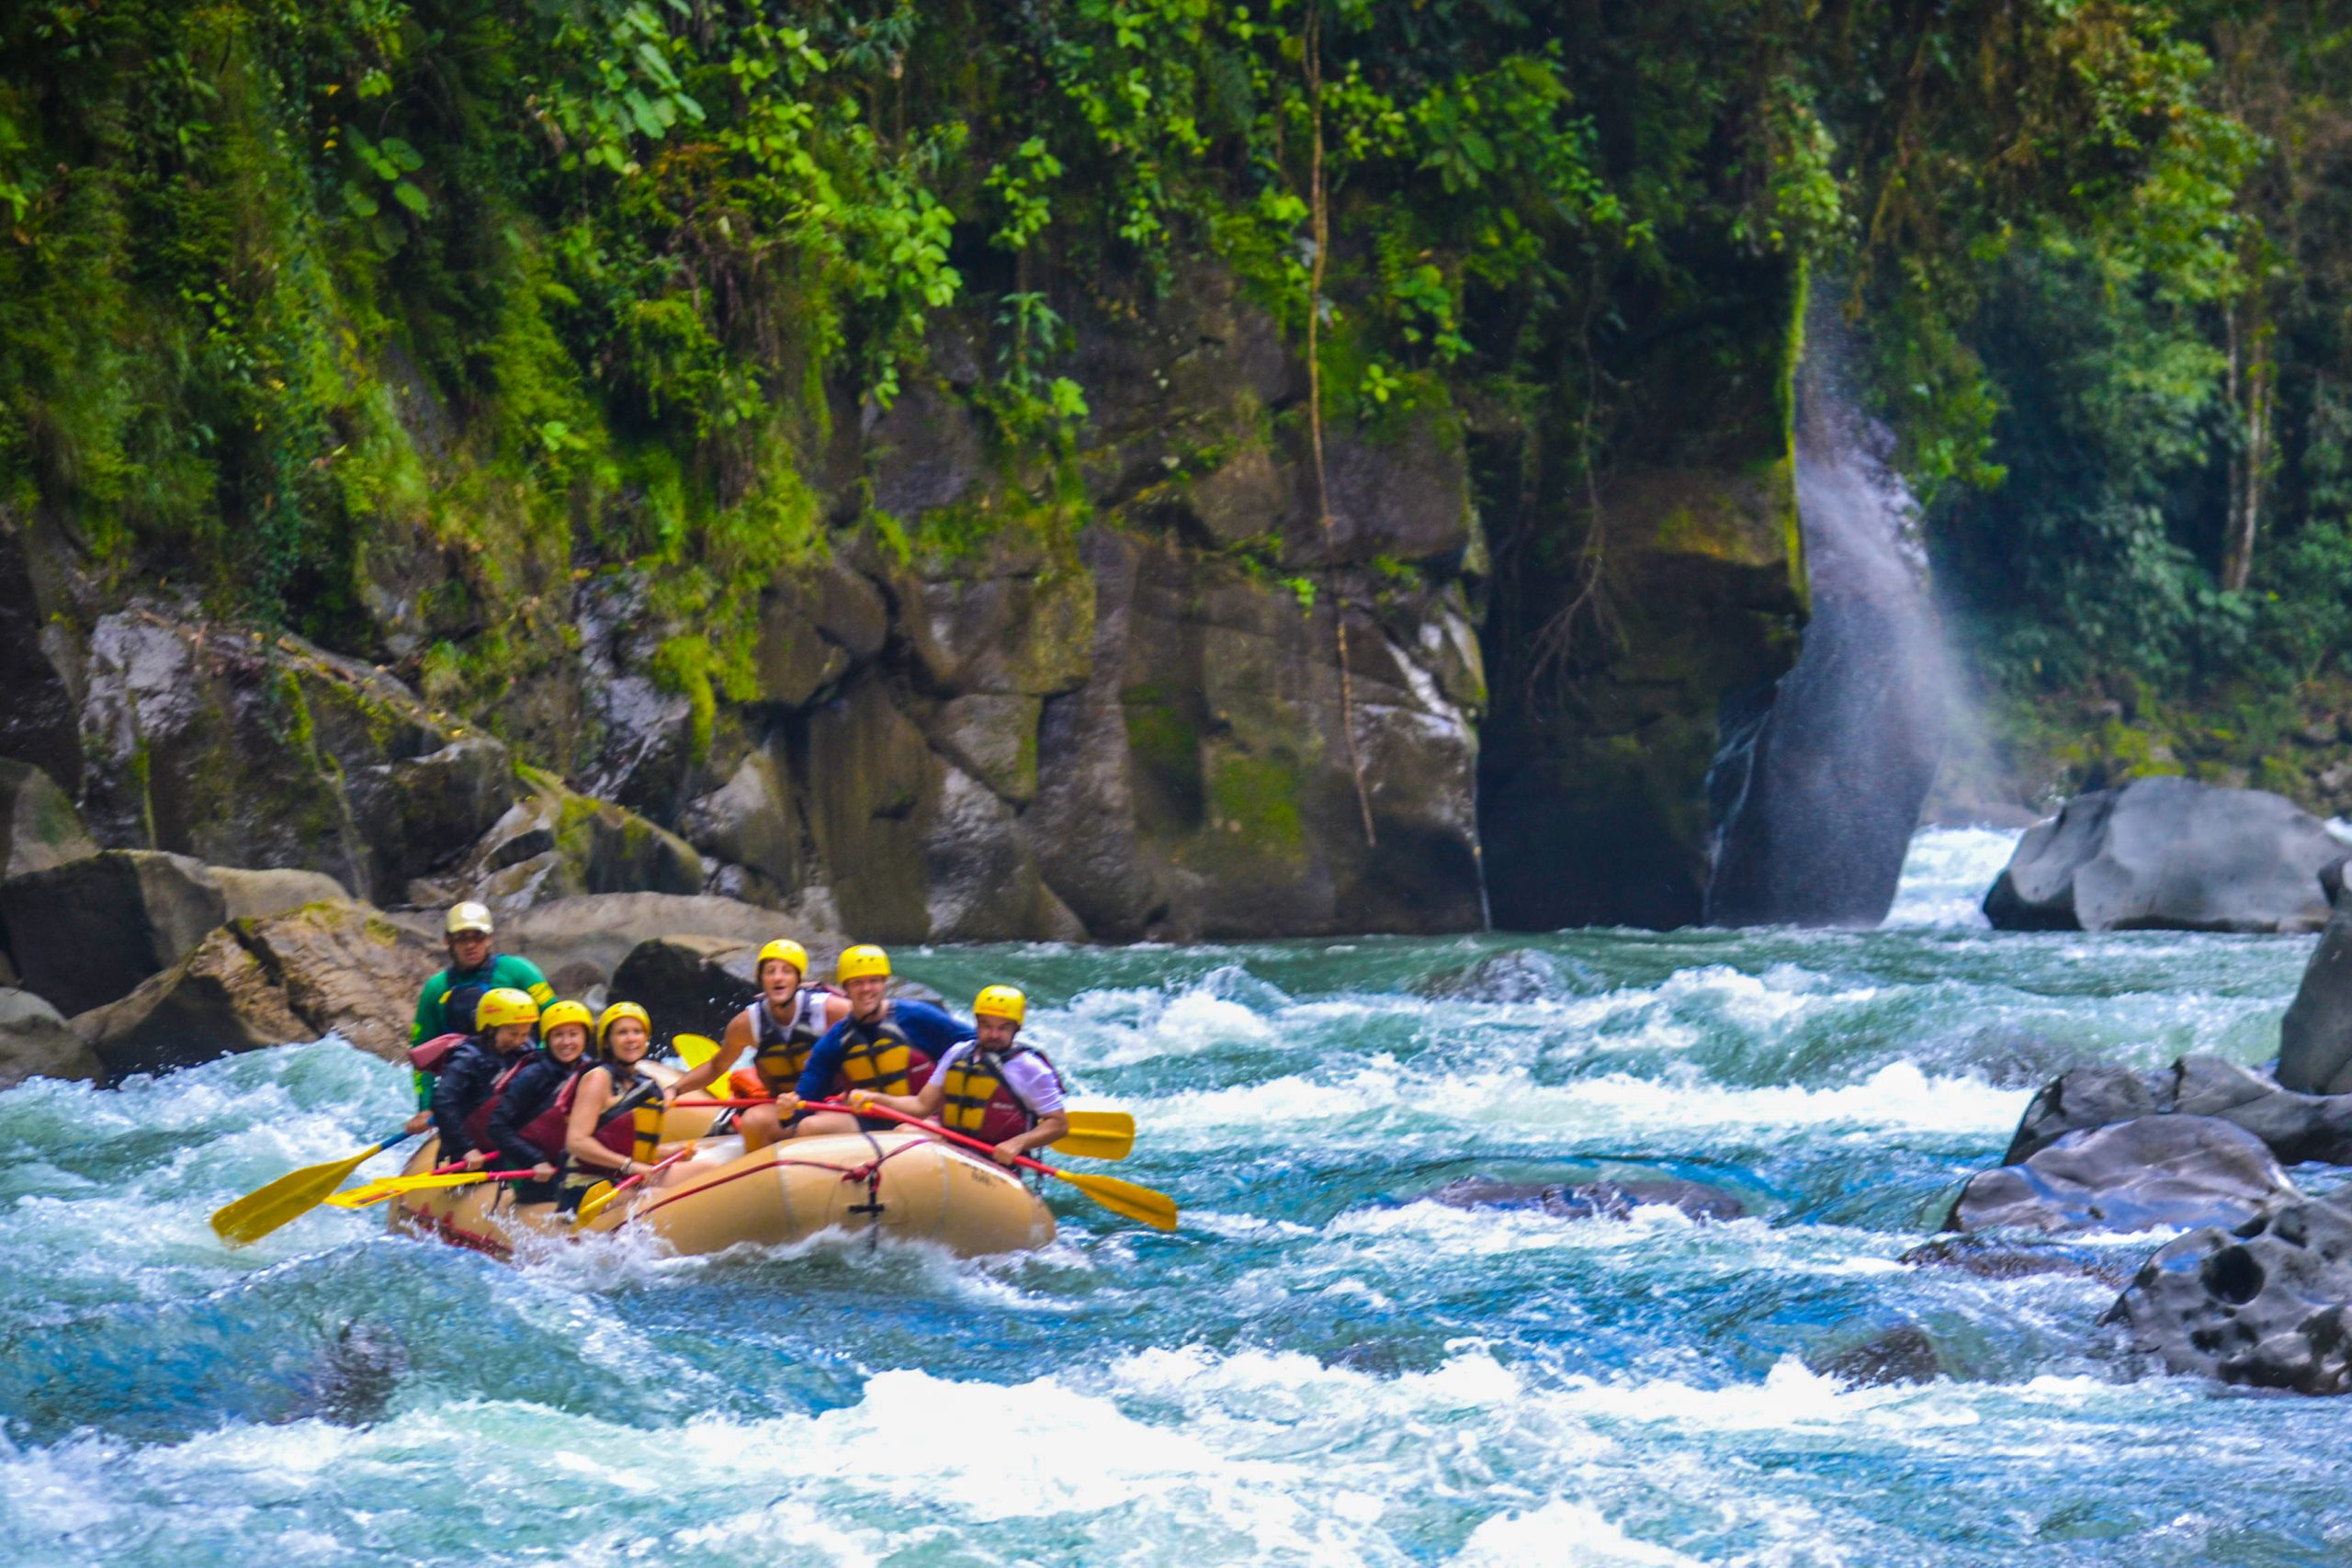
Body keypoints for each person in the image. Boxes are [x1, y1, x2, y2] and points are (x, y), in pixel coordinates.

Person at [848, 985, 1069, 1168]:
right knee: (904, 1132)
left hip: (994, 1160)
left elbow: (1058, 1124)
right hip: (952, 1144)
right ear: (977, 1023)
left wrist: (1018, 1143)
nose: (993, 1034)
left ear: (1017, 1028)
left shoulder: (1031, 1068)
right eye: (986, 1026)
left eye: (1002, 1028)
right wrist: (876, 1099)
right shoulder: (958, 1053)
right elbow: (921, 1105)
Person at [662, 939, 850, 1151]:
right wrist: (674, 1090)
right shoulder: (747, 1024)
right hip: (781, 1108)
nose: (778, 977)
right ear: (761, 979)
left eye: (786, 971)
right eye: (770, 971)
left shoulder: (829, 1010)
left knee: (811, 1126)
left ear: (798, 979)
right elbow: (717, 1066)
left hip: (830, 1102)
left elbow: (875, 1028)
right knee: (752, 1121)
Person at [406, 902, 555, 1135]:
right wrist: (425, 1107)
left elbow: (556, 1022)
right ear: (448, 940)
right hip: (467, 1093)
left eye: (478, 937)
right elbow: (421, 1056)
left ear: (490, 939)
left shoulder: (519, 972)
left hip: (523, 1083)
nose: (471, 945)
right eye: (462, 938)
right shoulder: (436, 990)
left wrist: (541, 1072)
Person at [790, 946, 967, 1138]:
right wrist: (789, 1109)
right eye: (857, 983)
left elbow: (973, 1043)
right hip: (871, 1117)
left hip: (926, 1116)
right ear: (846, 989)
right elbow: (806, 1097)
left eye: (874, 981)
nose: (866, 989)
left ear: (884, 984)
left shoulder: (917, 1016)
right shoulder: (835, 1040)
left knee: (903, 1133)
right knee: (809, 1126)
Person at [473, 999, 596, 1198]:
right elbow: (496, 1127)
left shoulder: (593, 1071)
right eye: (558, 1035)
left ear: (585, 1038)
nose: (566, 1042)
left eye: (574, 1034)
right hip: (535, 1173)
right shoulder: (532, 1075)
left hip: (574, 1166)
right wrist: (535, 1160)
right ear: (547, 1039)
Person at [559, 1002, 669, 1212]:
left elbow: (624, 1143)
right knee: (660, 1197)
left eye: (637, 1031)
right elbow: (576, 1142)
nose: (631, 1038)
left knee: (707, 1168)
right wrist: (628, 1165)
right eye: (622, 1033)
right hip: (588, 1185)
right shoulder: (598, 1078)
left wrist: (668, 1151)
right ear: (608, 1042)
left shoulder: (644, 1081)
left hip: (627, 1177)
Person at [430, 987, 542, 1168]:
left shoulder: (525, 1052)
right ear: (490, 1029)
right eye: (513, 1034)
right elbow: (443, 1102)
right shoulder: (466, 1058)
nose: (520, 1041)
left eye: (525, 1034)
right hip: (470, 1149)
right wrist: (466, 1149)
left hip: (506, 1141)